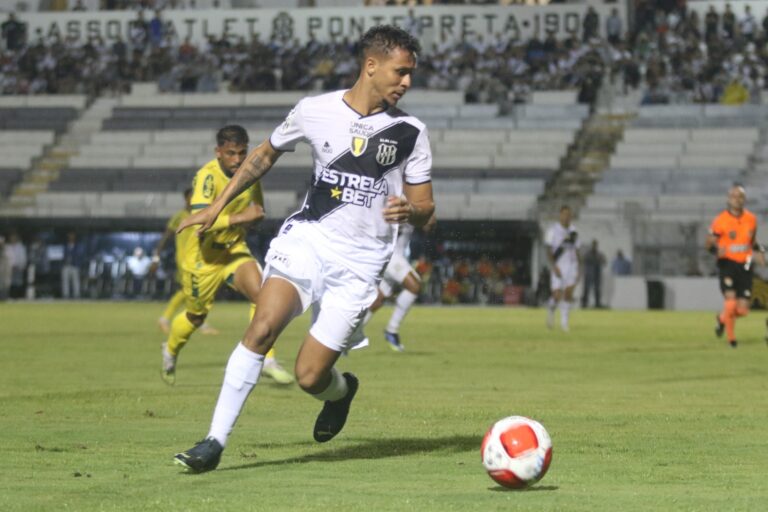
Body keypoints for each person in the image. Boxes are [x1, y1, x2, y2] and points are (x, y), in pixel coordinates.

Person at [172, 25, 433, 473]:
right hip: (308, 240)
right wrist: (216, 206)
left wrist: (410, 211)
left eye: (410, 74)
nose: (406, 82)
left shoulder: (410, 131)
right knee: (262, 326)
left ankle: (342, 391)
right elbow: (263, 156)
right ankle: (213, 441)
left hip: (360, 263)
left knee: (309, 376)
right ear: (371, 66)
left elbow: (428, 210)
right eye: (400, 72)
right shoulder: (314, 110)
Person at [160, 125, 294, 386]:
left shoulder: (250, 173)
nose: (236, 160)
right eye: (230, 153)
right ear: (218, 152)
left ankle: (267, 359)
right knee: (196, 318)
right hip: (203, 258)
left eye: (241, 153)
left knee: (264, 295)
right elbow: (200, 220)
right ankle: (171, 350)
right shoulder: (207, 177)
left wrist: (252, 218)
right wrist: (242, 217)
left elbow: (257, 210)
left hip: (233, 249)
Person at [363, 214, 436, 352]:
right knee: (414, 285)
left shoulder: (411, 202)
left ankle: (348, 337)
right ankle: (392, 329)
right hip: (388, 255)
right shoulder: (392, 199)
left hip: (396, 255)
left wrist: (425, 213)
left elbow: (429, 223)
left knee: (377, 300)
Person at [155, 188, 219, 336]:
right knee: (189, 290)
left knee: (193, 291)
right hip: (184, 259)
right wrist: (156, 257)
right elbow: (166, 237)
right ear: (185, 199)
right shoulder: (179, 217)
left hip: (198, 258)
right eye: (191, 197)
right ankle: (168, 319)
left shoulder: (201, 215)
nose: (193, 200)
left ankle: (174, 319)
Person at [707, 185, 764, 348]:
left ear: (744, 200)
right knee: (731, 302)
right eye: (733, 196)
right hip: (727, 264)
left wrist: (758, 251)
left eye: (740, 196)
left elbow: (751, 241)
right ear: (728, 199)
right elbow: (708, 243)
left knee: (743, 310)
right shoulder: (721, 220)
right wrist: (716, 250)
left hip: (745, 266)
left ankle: (722, 318)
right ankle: (732, 340)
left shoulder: (751, 219)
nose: (737, 199)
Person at [545, 206, 581, 331]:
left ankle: (564, 323)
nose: (566, 217)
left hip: (572, 265)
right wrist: (554, 266)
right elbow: (548, 251)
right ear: (560, 215)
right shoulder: (553, 231)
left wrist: (579, 269)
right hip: (559, 265)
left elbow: (577, 250)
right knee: (557, 295)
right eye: (564, 214)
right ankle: (551, 311)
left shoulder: (574, 231)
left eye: (568, 214)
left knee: (568, 294)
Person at [581, 239, 605, 309]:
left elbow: (604, 261)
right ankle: (584, 303)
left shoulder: (599, 254)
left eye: (596, 244)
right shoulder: (588, 254)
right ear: (592, 245)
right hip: (588, 274)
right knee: (586, 289)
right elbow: (583, 260)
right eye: (594, 244)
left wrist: (600, 259)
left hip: (597, 274)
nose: (595, 246)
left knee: (597, 289)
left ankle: (597, 303)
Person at [61, 231, 86, 299]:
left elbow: (79, 255)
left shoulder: (78, 245)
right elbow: (63, 255)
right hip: (66, 265)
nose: (71, 237)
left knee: (75, 281)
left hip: (75, 265)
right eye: (69, 236)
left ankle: (76, 294)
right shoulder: (66, 246)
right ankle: (66, 295)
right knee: (65, 280)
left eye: (72, 236)